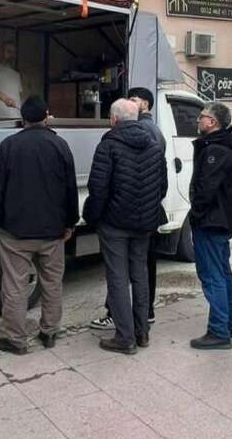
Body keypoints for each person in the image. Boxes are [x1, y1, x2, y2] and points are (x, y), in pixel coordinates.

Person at [0, 96, 78, 355]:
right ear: (46, 116)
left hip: (15, 232)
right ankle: (49, 332)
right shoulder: (60, 145)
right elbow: (70, 190)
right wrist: (70, 223)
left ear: (23, 118)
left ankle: (15, 339)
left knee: (14, 286)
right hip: (53, 232)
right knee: (52, 283)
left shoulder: (9, 146)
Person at [84, 99, 168, 354]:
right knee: (139, 274)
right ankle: (142, 333)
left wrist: (93, 217)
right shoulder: (154, 145)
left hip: (115, 224)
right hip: (144, 223)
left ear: (113, 119)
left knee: (117, 278)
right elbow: (161, 187)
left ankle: (125, 338)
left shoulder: (108, 145)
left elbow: (98, 188)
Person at [188, 101, 232, 350]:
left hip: (212, 221)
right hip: (220, 220)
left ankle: (219, 331)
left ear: (213, 122)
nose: (198, 120)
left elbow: (206, 189)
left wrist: (197, 213)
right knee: (222, 274)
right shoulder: (222, 146)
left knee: (213, 277)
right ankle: (230, 324)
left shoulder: (216, 150)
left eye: (202, 116)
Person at [0, 41, 23, 120]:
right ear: (1, 52)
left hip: (16, 117)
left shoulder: (16, 75)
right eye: (9, 52)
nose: (11, 55)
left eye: (13, 53)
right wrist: (5, 99)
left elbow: (20, 96)